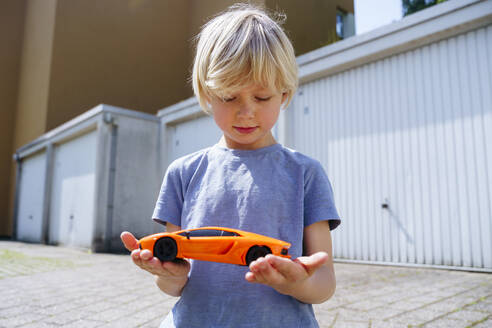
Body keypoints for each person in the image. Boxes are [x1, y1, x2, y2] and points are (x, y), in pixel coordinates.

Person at [121, 3, 341, 327]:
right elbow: (173, 285)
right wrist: (168, 273)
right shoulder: (183, 173)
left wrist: (298, 283)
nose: (246, 111)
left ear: (284, 94)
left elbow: (324, 282)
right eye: (229, 97)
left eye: (262, 97)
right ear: (207, 93)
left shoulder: (305, 174)